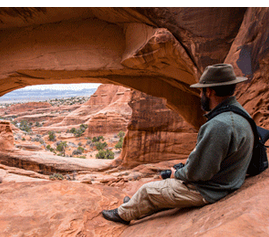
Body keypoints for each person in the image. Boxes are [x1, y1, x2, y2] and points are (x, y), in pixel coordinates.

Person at [102, 63, 254, 225]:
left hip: (211, 189)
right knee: (164, 185)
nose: (201, 95)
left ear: (209, 91)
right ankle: (135, 205)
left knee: (147, 190)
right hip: (228, 180)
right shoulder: (239, 113)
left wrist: (176, 173)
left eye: (202, 91)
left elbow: (199, 173)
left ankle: (123, 214)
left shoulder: (219, 125)